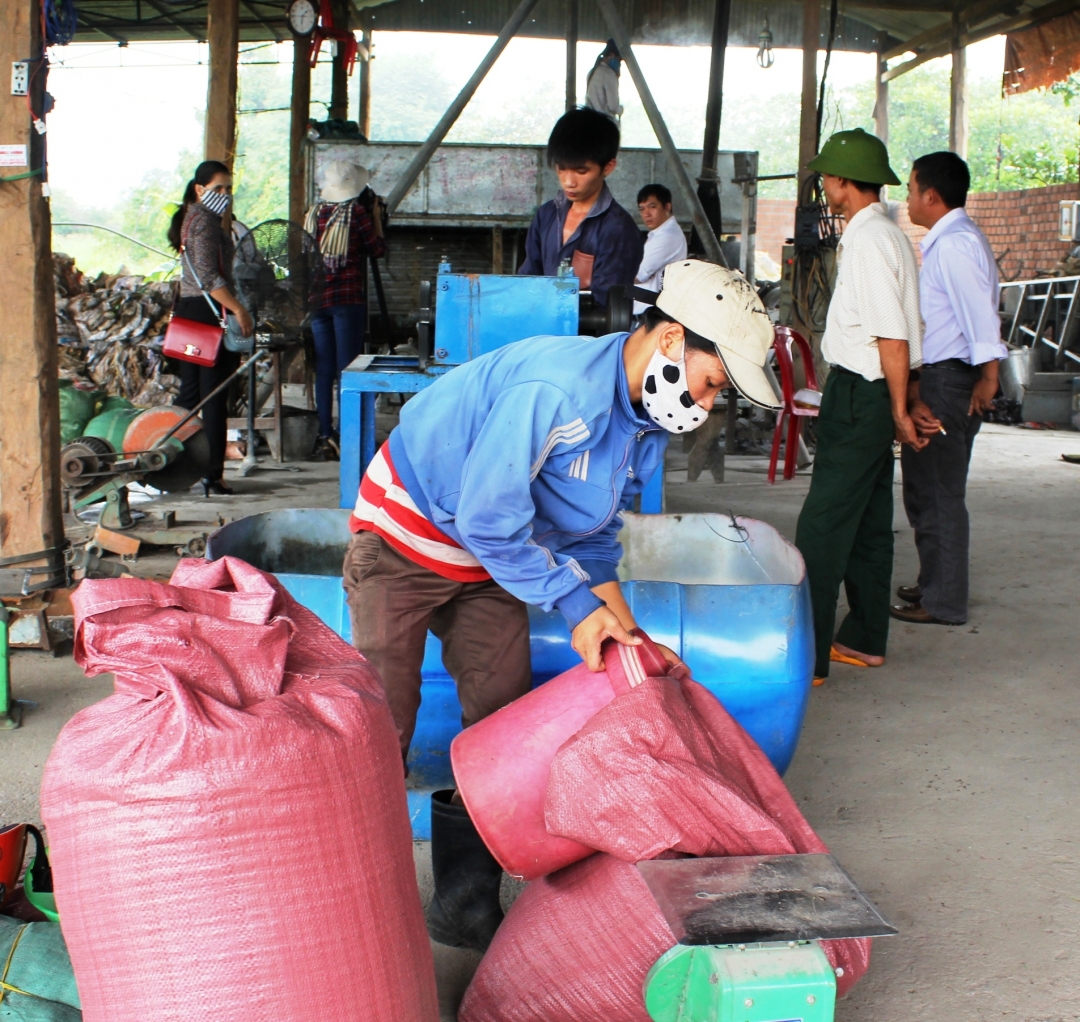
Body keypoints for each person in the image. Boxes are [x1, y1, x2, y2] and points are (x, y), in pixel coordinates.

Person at [342, 259, 779, 952]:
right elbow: (489, 520)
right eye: (712, 382)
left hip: (493, 559)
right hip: (407, 538)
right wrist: (576, 605)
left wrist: (629, 644)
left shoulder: (642, 423)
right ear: (671, 341)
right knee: (382, 725)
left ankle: (461, 906)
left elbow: (596, 539)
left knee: (501, 722)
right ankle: (357, 904)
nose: (707, 403)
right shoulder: (559, 394)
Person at [793, 128, 925, 685]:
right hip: (877, 390)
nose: (824, 185)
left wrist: (897, 410)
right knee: (869, 521)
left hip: (861, 393)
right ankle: (865, 639)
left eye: (827, 176)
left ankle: (808, 656)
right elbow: (907, 336)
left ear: (844, 181)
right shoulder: (889, 235)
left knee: (820, 528)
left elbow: (892, 338)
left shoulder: (870, 241)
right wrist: (905, 398)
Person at [892, 152, 1006, 626]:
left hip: (948, 379)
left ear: (931, 196)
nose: (908, 199)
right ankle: (934, 582)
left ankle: (943, 601)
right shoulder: (953, 239)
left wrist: (990, 374)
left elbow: (980, 313)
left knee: (938, 492)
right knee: (926, 488)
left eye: (912, 189)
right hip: (947, 376)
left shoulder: (956, 244)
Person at [167, 159, 253, 496]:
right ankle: (212, 475)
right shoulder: (203, 222)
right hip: (207, 314)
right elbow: (208, 277)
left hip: (190, 313)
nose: (225, 195)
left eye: (229, 189)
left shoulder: (194, 219)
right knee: (215, 396)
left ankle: (170, 463)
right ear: (199, 189)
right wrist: (238, 310)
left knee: (190, 396)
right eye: (218, 188)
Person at [518, 107, 642, 307]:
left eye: (581, 171)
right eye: (561, 169)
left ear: (608, 167)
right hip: (540, 332)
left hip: (588, 337)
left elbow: (608, 307)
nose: (568, 182)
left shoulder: (619, 230)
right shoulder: (546, 215)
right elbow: (528, 278)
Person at [304, 160, 387, 459]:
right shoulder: (357, 213)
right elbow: (377, 249)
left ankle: (325, 434)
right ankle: (350, 437)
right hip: (346, 300)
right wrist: (376, 216)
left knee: (325, 369)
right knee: (347, 370)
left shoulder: (313, 213)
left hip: (316, 301)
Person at [633, 183, 687, 314]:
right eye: (642, 209)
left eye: (652, 207)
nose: (646, 214)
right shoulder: (658, 234)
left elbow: (636, 275)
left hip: (651, 314)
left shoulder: (667, 236)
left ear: (667, 207)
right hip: (647, 312)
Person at [585, 39, 623, 122]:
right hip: (604, 124)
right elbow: (613, 106)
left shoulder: (592, 72)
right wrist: (620, 109)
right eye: (619, 60)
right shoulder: (609, 74)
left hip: (590, 121)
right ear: (612, 55)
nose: (619, 64)